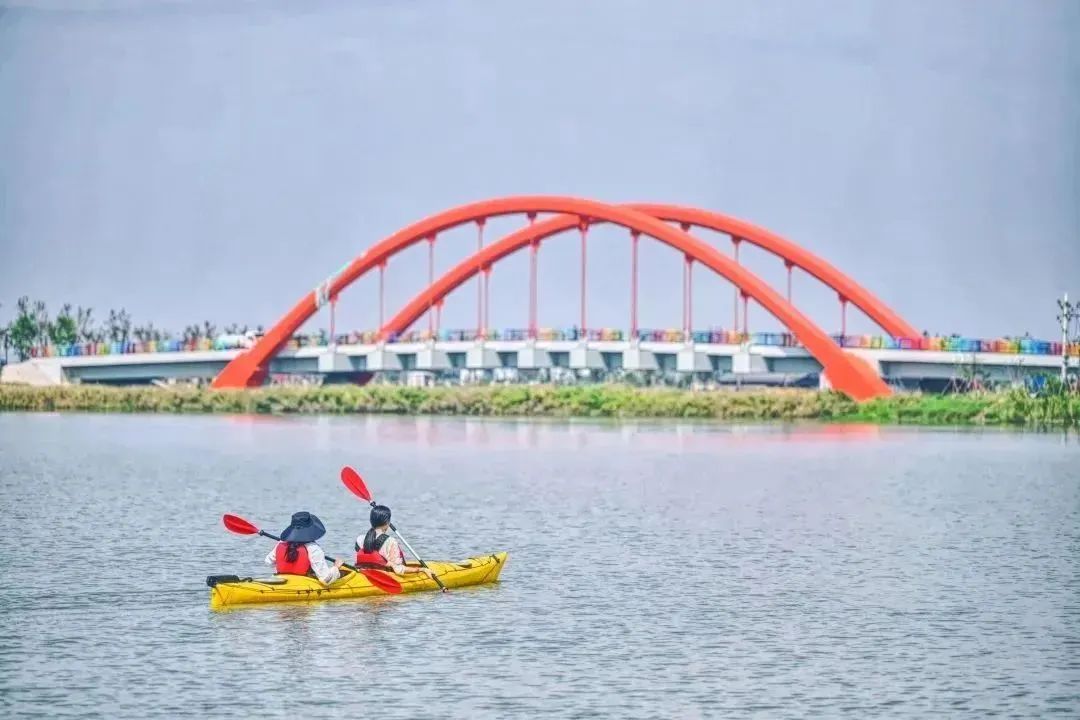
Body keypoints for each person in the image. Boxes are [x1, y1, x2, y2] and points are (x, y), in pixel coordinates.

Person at [265, 511, 344, 585]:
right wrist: (336, 567)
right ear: (311, 530)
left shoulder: (281, 543)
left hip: (281, 581)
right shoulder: (313, 548)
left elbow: (268, 561)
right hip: (303, 584)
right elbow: (326, 579)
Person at [355, 505, 434, 578]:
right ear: (387, 522)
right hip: (384, 577)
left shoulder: (359, 539)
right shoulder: (391, 541)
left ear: (371, 521)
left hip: (363, 574)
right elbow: (398, 570)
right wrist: (422, 569)